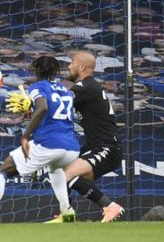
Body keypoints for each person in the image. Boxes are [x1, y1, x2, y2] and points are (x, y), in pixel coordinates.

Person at [0, 56, 79, 225]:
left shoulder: (36, 87)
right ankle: (67, 211)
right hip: (72, 146)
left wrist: (25, 135)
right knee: (55, 169)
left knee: (2, 170)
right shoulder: (65, 90)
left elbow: (44, 107)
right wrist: (31, 114)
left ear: (37, 69)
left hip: (50, 144)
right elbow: (53, 114)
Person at [48, 51, 124, 223]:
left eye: (71, 63)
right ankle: (65, 216)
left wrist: (32, 104)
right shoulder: (89, 87)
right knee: (59, 171)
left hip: (107, 148)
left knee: (65, 174)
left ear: (81, 66)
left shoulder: (85, 87)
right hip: (96, 146)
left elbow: (59, 103)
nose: (68, 66)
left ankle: (110, 206)